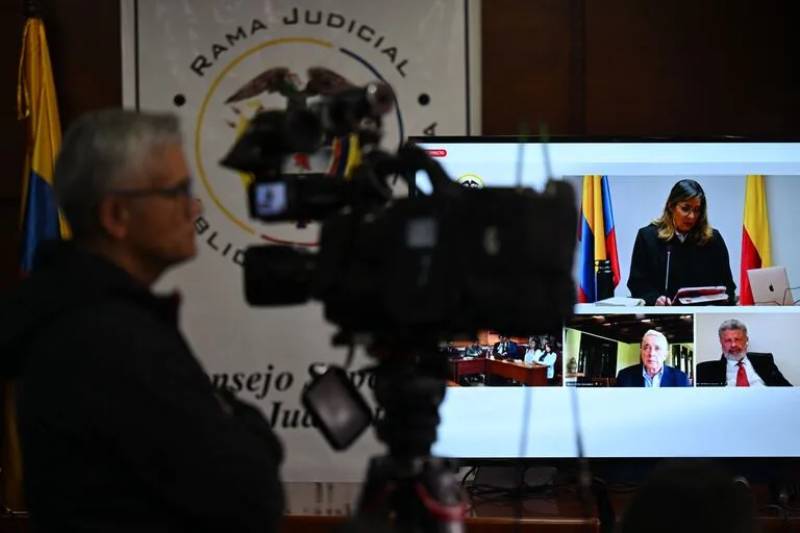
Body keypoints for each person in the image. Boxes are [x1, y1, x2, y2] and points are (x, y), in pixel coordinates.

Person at [0, 110, 284, 531]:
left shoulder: (75, 315)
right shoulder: (112, 340)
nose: (194, 208)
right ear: (116, 215)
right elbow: (250, 495)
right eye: (177, 192)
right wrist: (245, 422)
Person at [627, 179, 736, 306]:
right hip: (664, 314)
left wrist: (726, 298)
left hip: (703, 312)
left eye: (697, 210)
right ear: (671, 206)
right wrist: (655, 299)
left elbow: (728, 286)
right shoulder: (647, 237)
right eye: (685, 208)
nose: (692, 216)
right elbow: (637, 284)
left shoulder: (712, 239)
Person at [696, 318, 791, 386]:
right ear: (721, 342)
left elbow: (788, 390)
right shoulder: (705, 370)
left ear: (746, 340)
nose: (733, 345)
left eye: (738, 339)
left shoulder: (764, 361)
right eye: (728, 341)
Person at [616, 330, 690, 387]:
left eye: (657, 348)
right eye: (646, 348)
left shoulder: (681, 379)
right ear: (641, 352)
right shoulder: (624, 376)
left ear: (665, 354)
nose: (651, 353)